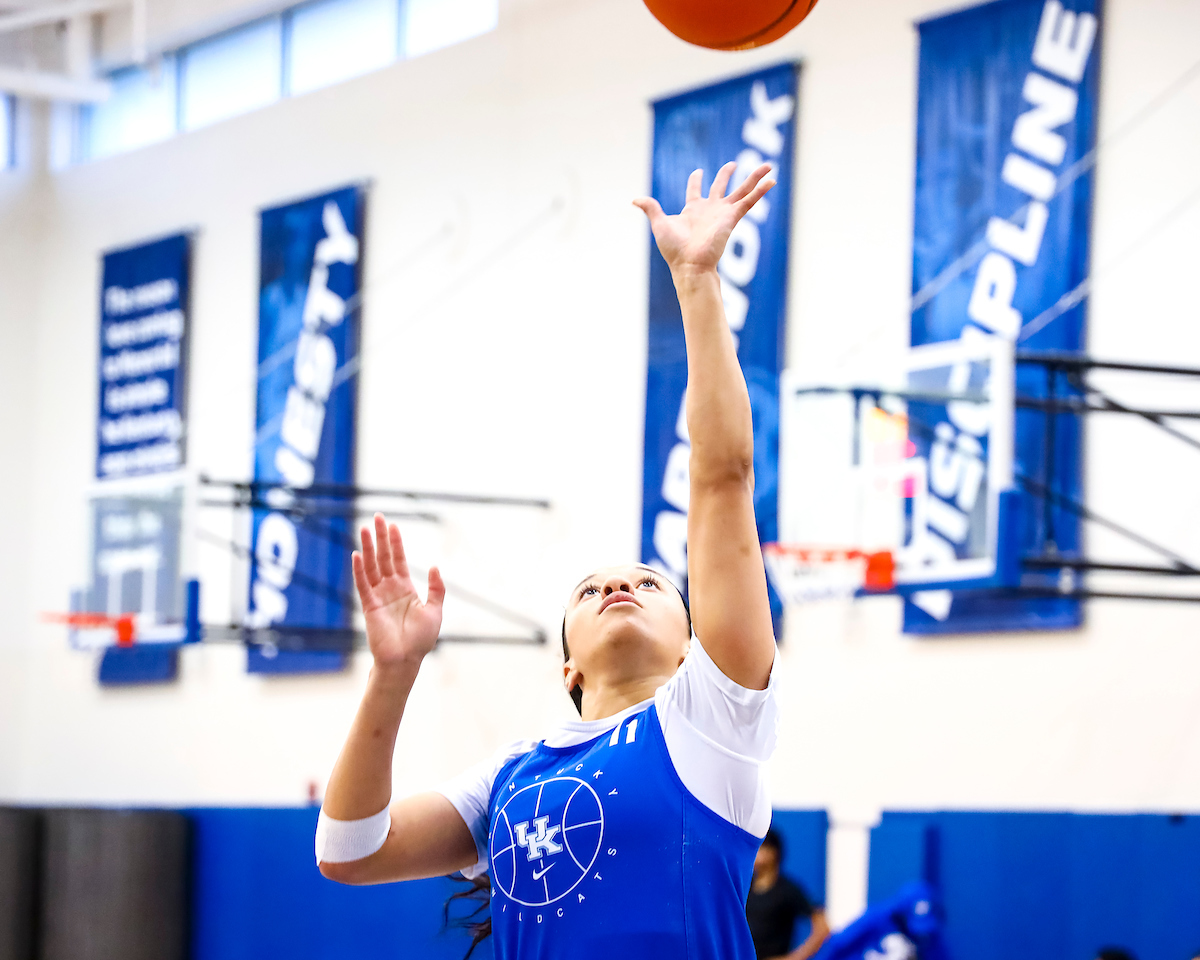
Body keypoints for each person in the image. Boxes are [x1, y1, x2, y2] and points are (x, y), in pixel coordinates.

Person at [313, 160, 781, 960]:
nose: (619, 584)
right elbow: (350, 851)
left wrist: (696, 281)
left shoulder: (715, 717)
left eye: (646, 581)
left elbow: (721, 476)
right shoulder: (507, 778)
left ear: (690, 644)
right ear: (567, 668)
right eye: (592, 588)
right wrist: (392, 674)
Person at [746, 829, 830, 960]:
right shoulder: (745, 888)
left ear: (773, 852)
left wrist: (793, 957)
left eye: (760, 848)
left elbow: (823, 928)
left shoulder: (787, 890)